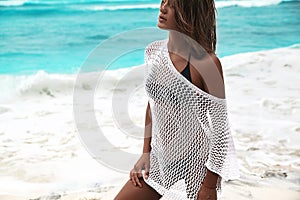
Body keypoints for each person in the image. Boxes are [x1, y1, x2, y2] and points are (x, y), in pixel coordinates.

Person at [115, 0, 239, 199]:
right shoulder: (154, 52)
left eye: (172, 5)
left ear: (188, 13)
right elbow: (153, 105)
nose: (163, 8)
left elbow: (221, 132)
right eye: (164, 1)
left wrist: (209, 185)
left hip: (197, 162)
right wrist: (145, 153)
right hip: (162, 158)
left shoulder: (206, 63)